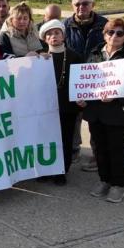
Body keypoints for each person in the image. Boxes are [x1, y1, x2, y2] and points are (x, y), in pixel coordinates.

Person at [80, 18, 124, 204]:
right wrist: (81, 96)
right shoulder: (95, 52)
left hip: (120, 113)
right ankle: (104, 180)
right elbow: (86, 80)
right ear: (105, 34)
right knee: (100, 149)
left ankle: (118, 185)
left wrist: (117, 95)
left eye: (120, 33)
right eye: (111, 32)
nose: (114, 36)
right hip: (96, 112)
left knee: (117, 149)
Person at [64, 0, 108, 171]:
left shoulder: (104, 24)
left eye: (85, 3)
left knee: (96, 119)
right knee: (74, 118)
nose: (81, 7)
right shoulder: (65, 25)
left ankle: (98, 154)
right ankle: (74, 150)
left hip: (97, 79)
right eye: (77, 4)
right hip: (73, 79)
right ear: (72, 5)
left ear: (93, 4)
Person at [38, 20, 83, 184]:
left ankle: (61, 170)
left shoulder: (74, 56)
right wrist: (34, 57)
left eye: (57, 33)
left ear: (63, 35)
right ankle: (45, 169)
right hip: (45, 107)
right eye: (49, 34)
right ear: (44, 39)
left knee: (65, 139)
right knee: (46, 139)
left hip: (67, 107)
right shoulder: (39, 57)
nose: (53, 36)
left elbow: (81, 82)